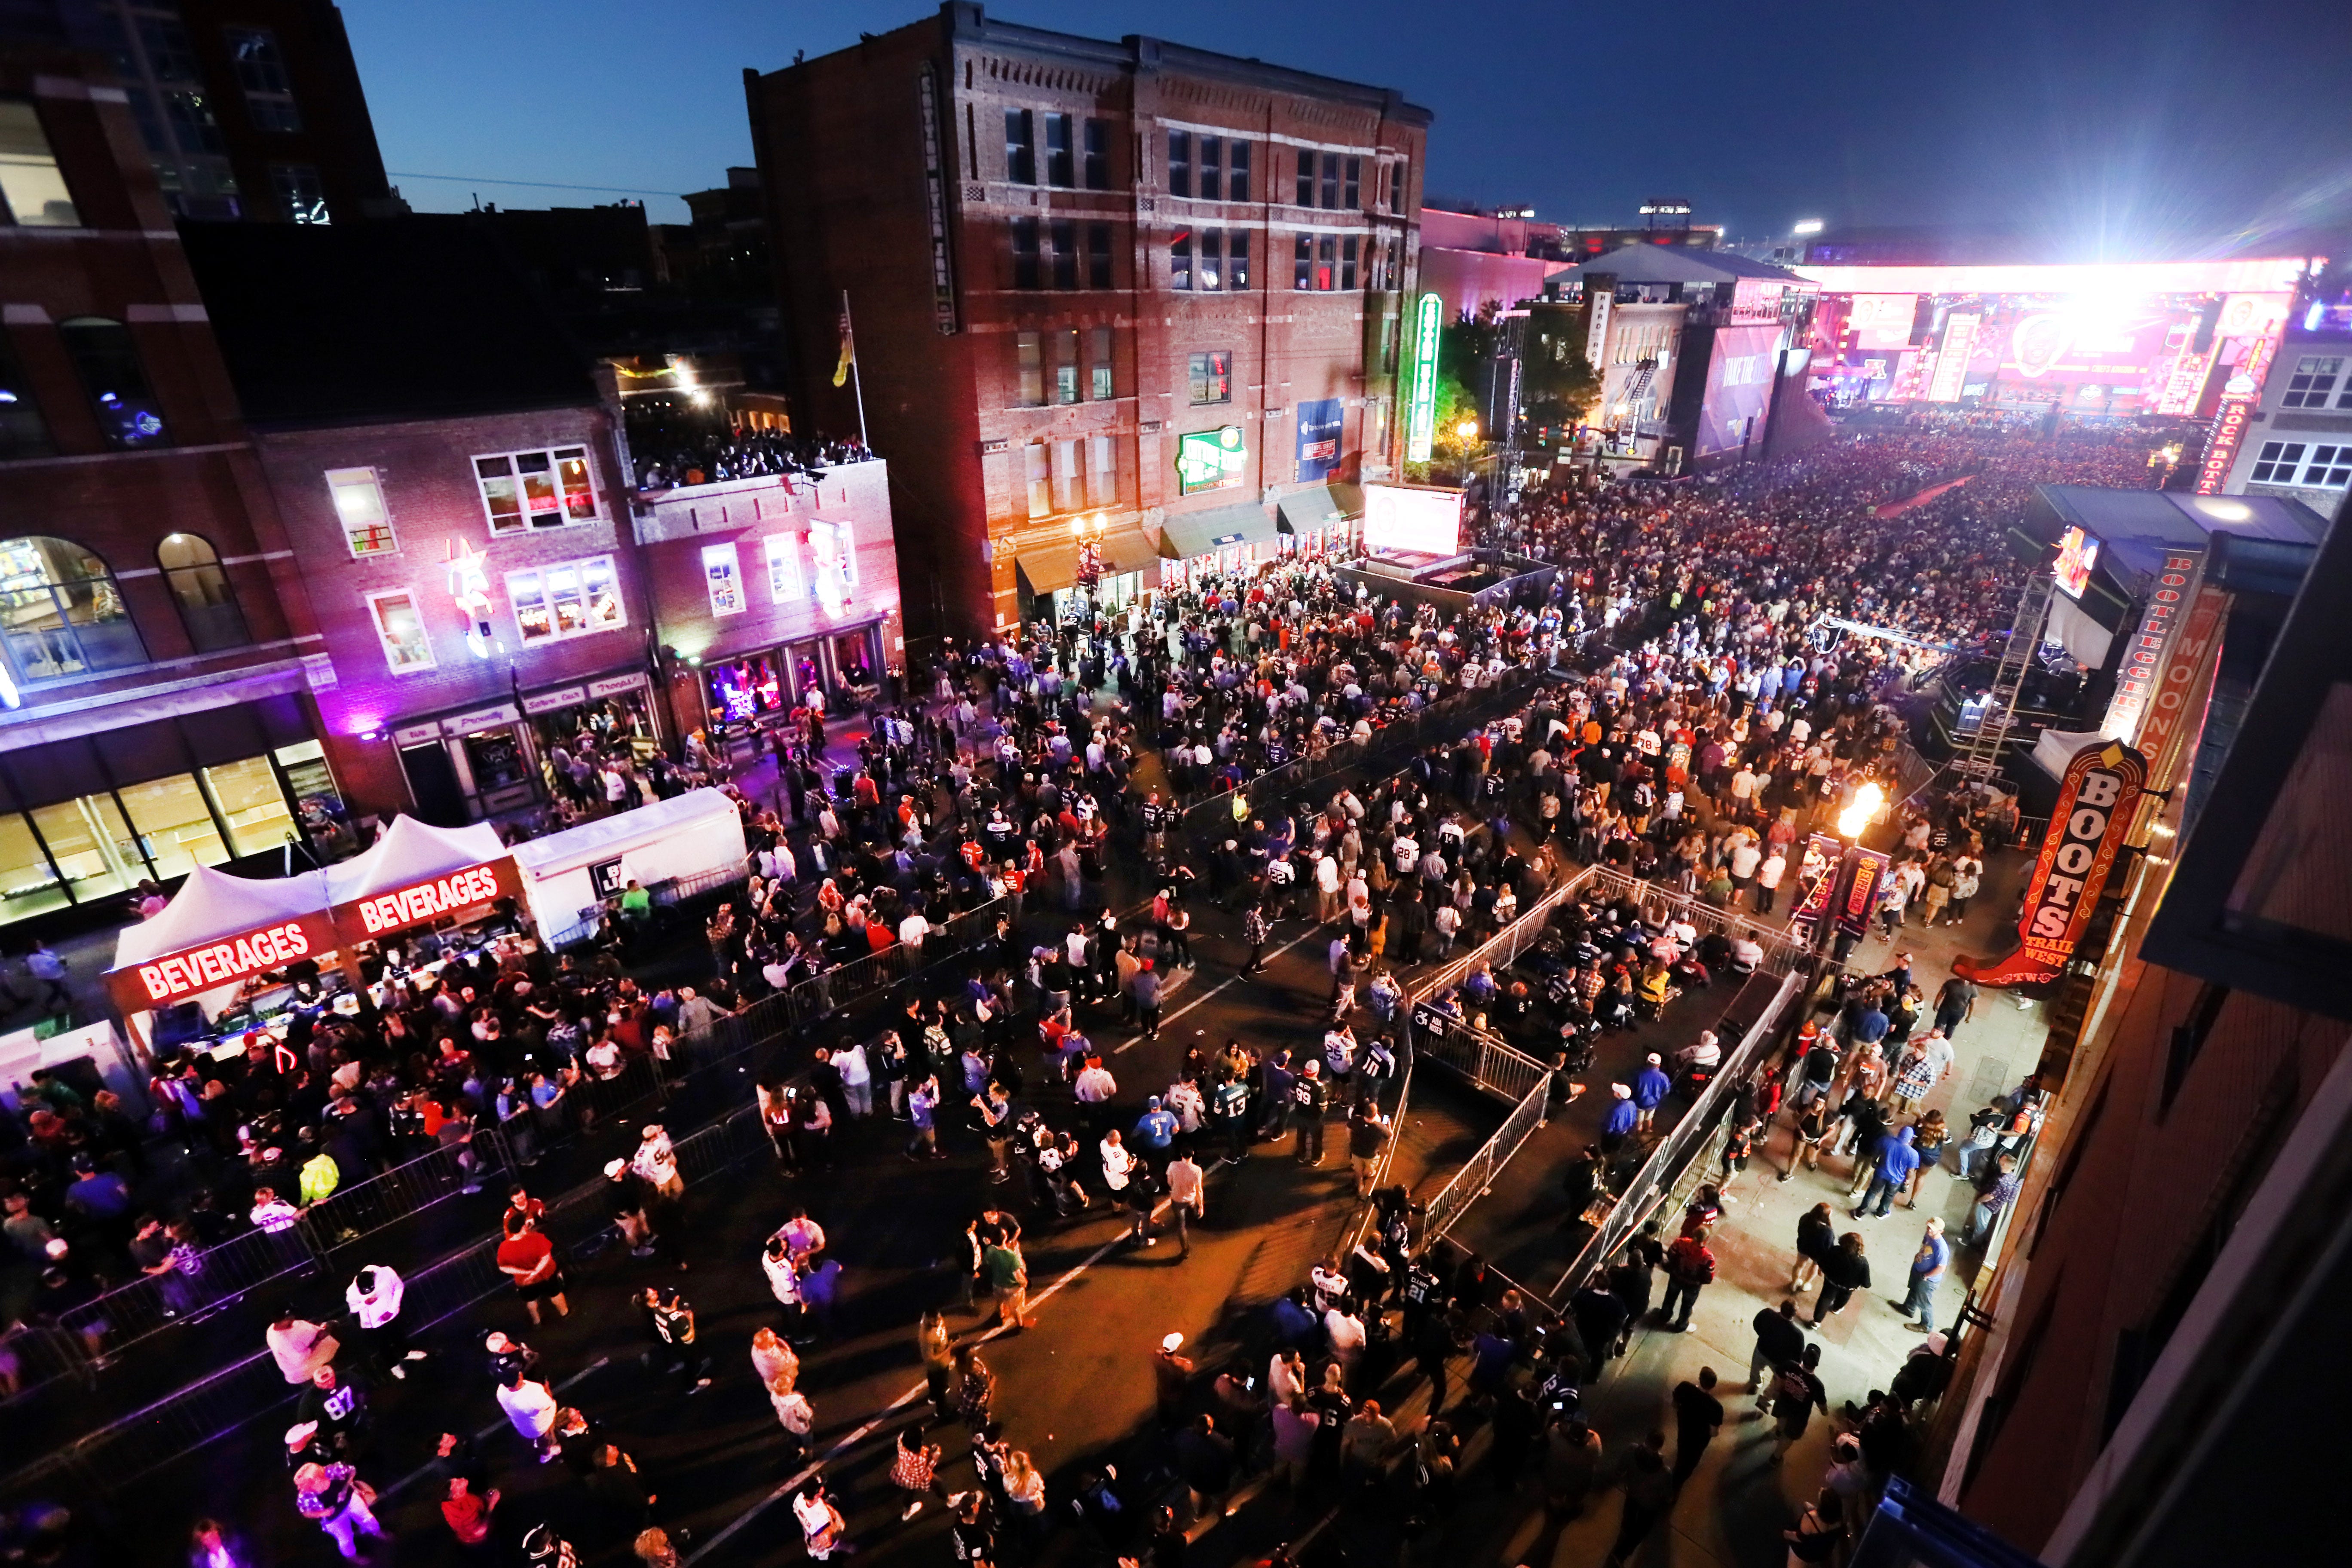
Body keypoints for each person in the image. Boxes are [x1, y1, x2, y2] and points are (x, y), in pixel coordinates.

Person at [292, 1461, 384, 1561]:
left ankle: (376, 1532)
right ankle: (353, 1557)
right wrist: (323, 1513)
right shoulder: (304, 1497)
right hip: (333, 1518)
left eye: (302, 1484)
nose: (299, 1488)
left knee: (367, 1518)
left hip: (350, 1500)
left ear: (316, 1480)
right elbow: (306, 1513)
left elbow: (352, 1471)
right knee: (346, 1539)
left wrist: (346, 1488)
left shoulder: (334, 1470)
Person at [345, 1265, 424, 1380]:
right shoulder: (352, 1291)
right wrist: (365, 1303)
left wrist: (391, 1310)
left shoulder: (387, 1273)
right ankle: (394, 1366)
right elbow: (353, 1309)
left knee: (399, 1337)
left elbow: (399, 1287)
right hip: (372, 1326)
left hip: (392, 1316)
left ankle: (406, 1354)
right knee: (383, 1347)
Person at [496, 1216, 569, 1324]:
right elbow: (546, 1259)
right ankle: (565, 1314)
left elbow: (503, 1267)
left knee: (531, 1301)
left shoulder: (504, 1247)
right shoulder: (537, 1238)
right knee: (556, 1294)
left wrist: (526, 1273)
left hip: (524, 1282)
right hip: (546, 1276)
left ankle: (537, 1321)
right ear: (523, 1227)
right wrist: (534, 1273)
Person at [1769, 1344, 1827, 1461]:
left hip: (1784, 1402)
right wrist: (1825, 1412)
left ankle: (1779, 1432)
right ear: (1816, 1365)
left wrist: (1776, 1392)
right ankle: (1775, 1458)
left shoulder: (1789, 1365)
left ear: (1802, 1357)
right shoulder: (1817, 1385)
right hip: (1799, 1416)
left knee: (1781, 1419)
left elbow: (1779, 1379)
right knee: (1789, 1437)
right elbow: (1822, 1407)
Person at [1895, 1216, 1951, 1333]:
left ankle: (1926, 1325)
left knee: (1924, 1303)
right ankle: (1908, 1308)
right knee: (1914, 1290)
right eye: (1929, 1227)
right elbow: (1925, 1247)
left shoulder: (1941, 1248)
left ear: (1941, 1231)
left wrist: (1927, 1276)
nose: (1929, 1230)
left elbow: (1942, 1268)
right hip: (1918, 1271)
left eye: (1932, 1229)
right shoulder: (1928, 1235)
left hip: (1928, 1280)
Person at [1670, 1367, 1723, 1487]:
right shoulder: (1716, 1408)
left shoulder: (1685, 1388)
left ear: (1700, 1379)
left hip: (1684, 1430)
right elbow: (1714, 1433)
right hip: (1699, 1441)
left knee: (1682, 1451)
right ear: (1713, 1386)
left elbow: (1674, 1405)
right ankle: (1676, 1484)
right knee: (1689, 1464)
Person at [1658, 1228, 1715, 1332]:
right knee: (1687, 1306)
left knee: (1670, 1297)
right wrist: (1698, 1281)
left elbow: (1671, 1255)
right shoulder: (1708, 1257)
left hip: (1676, 1277)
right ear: (1706, 1239)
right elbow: (1709, 1277)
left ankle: (1664, 1315)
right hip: (1692, 1286)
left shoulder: (1680, 1243)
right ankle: (1681, 1325)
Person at [1813, 1231, 1871, 1326]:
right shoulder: (1862, 1262)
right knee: (1844, 1298)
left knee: (1825, 1298)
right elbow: (1866, 1282)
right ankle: (1836, 1308)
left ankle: (1817, 1321)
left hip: (1831, 1281)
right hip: (1848, 1287)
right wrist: (1862, 1286)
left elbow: (1824, 1262)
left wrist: (1822, 1270)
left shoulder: (1835, 1250)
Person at [1750, 1300, 1805, 1394]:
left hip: (1762, 1350)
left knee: (1756, 1370)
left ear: (1781, 1307)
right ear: (1794, 1314)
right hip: (1780, 1362)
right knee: (1777, 1380)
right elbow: (1798, 1356)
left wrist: (1763, 1337)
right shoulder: (1797, 1335)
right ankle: (1767, 1397)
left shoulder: (1767, 1314)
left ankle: (1756, 1384)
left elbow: (1756, 1324)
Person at [792, 1475, 848, 1561]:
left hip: (812, 1536)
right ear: (816, 1496)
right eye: (820, 1488)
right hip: (825, 1552)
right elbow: (830, 1539)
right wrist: (837, 1525)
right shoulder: (821, 1521)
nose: (822, 1488)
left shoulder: (799, 1499)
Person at [1165, 1148, 1204, 1257]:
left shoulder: (1173, 1165)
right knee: (1193, 1211)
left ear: (1181, 1154)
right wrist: (1201, 1206)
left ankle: (1185, 1250)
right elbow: (1199, 1190)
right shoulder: (1197, 1170)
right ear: (1193, 1154)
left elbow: (1169, 1181)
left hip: (1177, 1199)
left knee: (1181, 1226)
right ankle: (1195, 1218)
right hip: (1190, 1198)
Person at [440, 1476, 499, 1549]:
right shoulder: (462, 1515)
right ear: (454, 1495)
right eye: (458, 1484)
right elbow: (480, 1531)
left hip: (470, 1536)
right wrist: (492, 1504)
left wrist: (485, 1497)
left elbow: (473, 1502)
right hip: (479, 1541)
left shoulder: (455, 1500)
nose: (462, 1479)